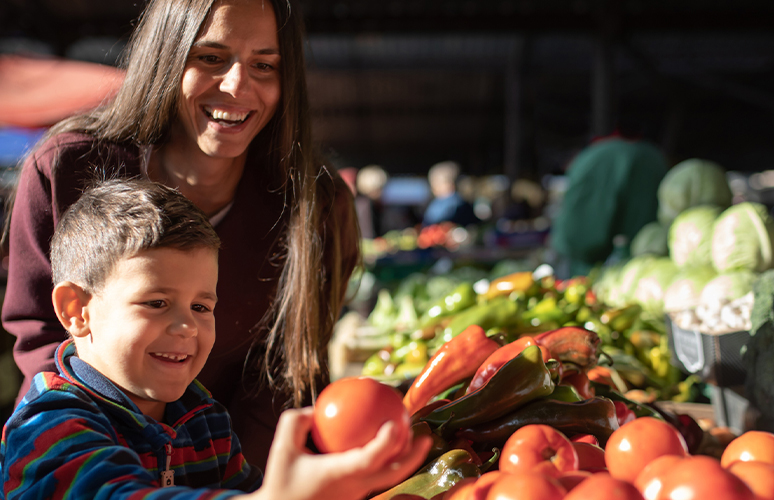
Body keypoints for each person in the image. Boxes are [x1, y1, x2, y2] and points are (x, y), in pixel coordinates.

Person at [1, 0, 360, 468]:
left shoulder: (318, 204)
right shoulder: (64, 167)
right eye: (210, 57)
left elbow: (285, 374)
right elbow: (43, 339)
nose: (237, 85)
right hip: (85, 458)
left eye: (265, 65)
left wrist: (237, 482)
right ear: (166, 56)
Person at [0, 180, 428, 500]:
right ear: (77, 310)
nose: (187, 327)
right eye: (156, 302)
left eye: (202, 308)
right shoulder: (49, 426)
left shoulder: (204, 417)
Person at [550, 134, 669, 278]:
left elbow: (578, 235)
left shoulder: (595, 158)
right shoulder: (652, 155)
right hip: (649, 263)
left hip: (593, 269)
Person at [422, 161, 478, 227]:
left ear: (449, 184)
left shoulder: (442, 204)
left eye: (435, 185)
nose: (432, 189)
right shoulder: (465, 203)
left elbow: (428, 225)